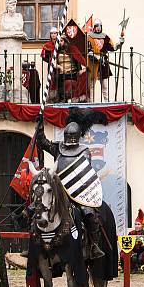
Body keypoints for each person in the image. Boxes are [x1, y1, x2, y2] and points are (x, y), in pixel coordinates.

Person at [35, 107, 107, 259]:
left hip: (76, 193)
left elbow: (84, 173)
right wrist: (40, 127)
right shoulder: (58, 148)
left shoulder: (84, 151)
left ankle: (93, 245)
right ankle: (34, 246)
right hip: (56, 190)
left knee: (89, 214)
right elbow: (42, 143)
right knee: (35, 208)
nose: (68, 140)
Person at [86, 18, 123, 102]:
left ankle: (106, 101)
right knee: (92, 84)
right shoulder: (89, 37)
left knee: (105, 85)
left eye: (99, 26)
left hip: (103, 62)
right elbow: (88, 51)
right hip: (93, 63)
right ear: (94, 27)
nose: (98, 28)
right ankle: (91, 102)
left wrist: (119, 44)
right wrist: (96, 56)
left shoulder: (105, 37)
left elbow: (112, 47)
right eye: (96, 26)